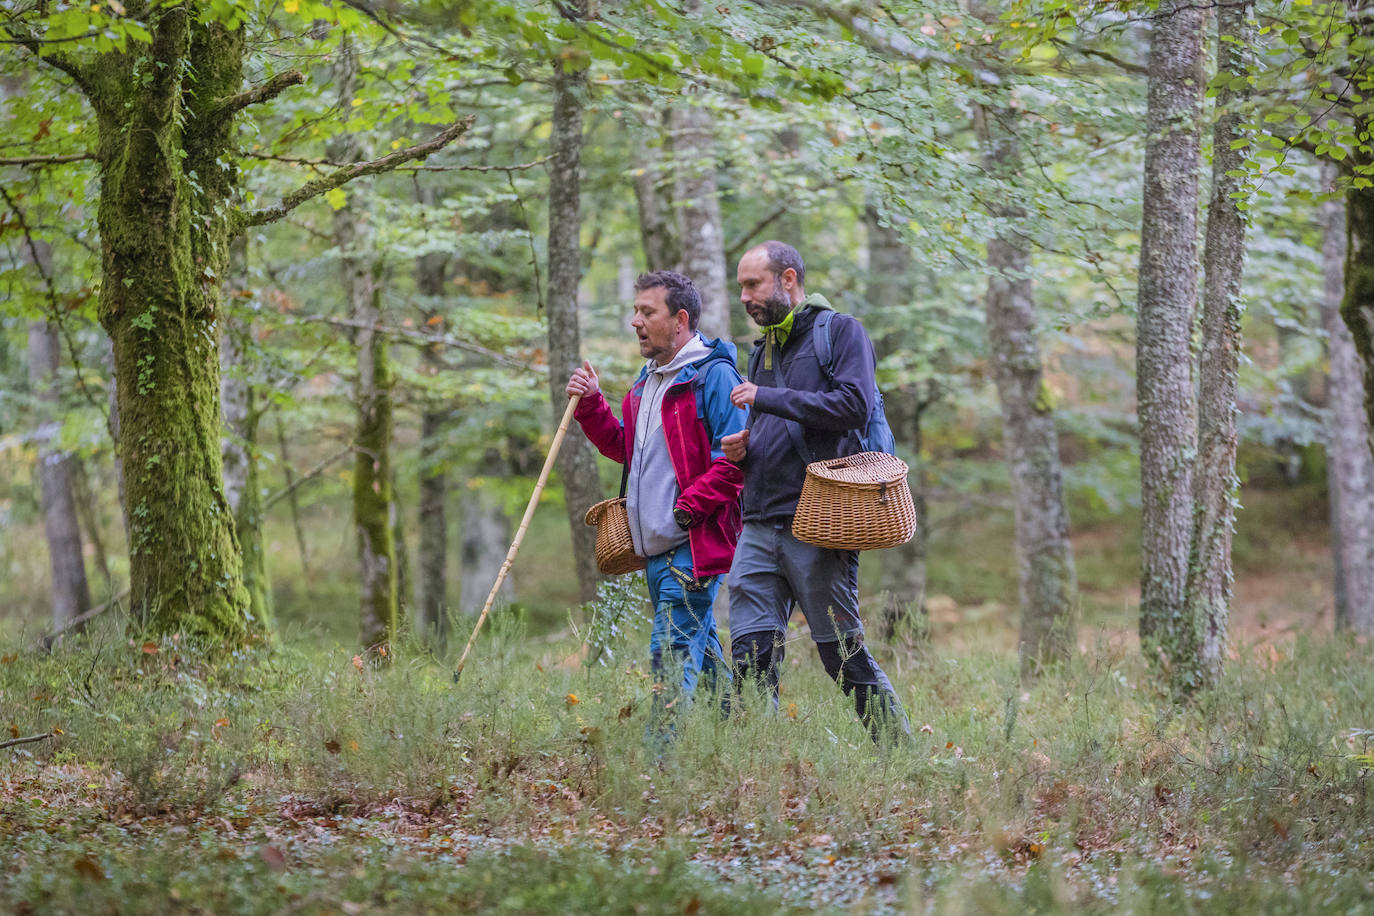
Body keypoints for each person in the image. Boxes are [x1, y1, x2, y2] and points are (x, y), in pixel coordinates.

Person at [721, 241, 911, 744]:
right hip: (758, 521)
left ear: (788, 279)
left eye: (752, 284)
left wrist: (767, 397)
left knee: (840, 654)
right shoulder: (762, 349)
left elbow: (852, 405)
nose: (744, 297)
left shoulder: (841, 332)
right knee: (750, 653)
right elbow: (778, 422)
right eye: (740, 287)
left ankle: (900, 753)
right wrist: (746, 446)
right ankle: (760, 764)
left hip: (819, 522)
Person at [567, 269, 747, 716]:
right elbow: (625, 448)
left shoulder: (714, 378)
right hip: (655, 550)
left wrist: (685, 511)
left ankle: (660, 758)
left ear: (680, 320)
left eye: (647, 312)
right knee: (703, 660)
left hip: (692, 548)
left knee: (669, 657)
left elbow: (736, 463)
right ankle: (743, 728)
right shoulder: (646, 381)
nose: (636, 322)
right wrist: (591, 403)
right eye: (636, 311)